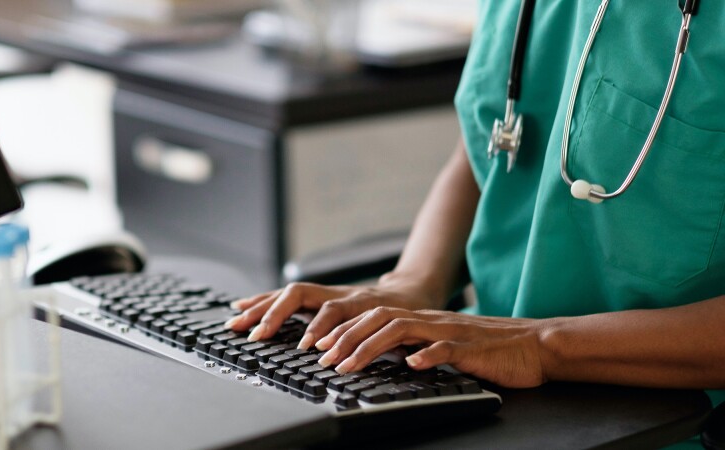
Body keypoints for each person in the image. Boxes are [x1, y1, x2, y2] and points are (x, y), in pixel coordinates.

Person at [226, 0, 725, 410]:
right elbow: (495, 140)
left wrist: (540, 345)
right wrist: (412, 283)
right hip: (477, 372)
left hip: (663, 414)